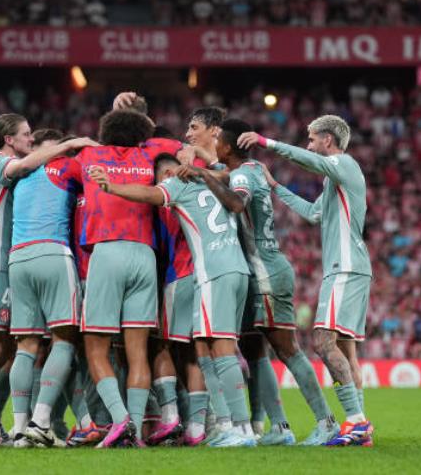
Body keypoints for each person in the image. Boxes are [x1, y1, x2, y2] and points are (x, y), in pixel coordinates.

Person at [181, 118, 338, 446]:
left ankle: (326, 422)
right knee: (257, 349)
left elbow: (236, 201)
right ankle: (280, 427)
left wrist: (203, 173)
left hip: (265, 272)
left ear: (228, 144)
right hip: (260, 271)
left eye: (220, 142)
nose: (217, 147)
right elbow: (225, 173)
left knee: (286, 349)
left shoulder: (242, 175)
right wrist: (204, 163)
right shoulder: (250, 167)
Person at [89, 153, 257, 448]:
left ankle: (241, 429)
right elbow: (231, 185)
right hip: (238, 269)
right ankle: (226, 425)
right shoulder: (212, 184)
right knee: (205, 349)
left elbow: (148, 194)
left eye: (167, 173)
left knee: (221, 349)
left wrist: (112, 186)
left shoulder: (178, 185)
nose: (165, 178)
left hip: (212, 272)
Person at [238, 114, 374, 447]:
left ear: (328, 140)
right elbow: (314, 214)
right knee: (344, 349)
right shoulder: (335, 180)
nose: (309, 144)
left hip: (345, 267)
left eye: (312, 138)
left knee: (323, 343)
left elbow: (310, 161)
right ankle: (358, 426)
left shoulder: (345, 163)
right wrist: (276, 188)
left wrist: (266, 142)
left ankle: (356, 421)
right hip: (349, 267)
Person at [73, 109, 186, 448]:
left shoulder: (89, 154)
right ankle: (135, 429)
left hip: (107, 252)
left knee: (96, 346)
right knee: (138, 351)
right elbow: (178, 145)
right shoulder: (149, 154)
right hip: (144, 255)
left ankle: (120, 420)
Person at [5, 133, 99, 448]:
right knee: (65, 338)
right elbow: (101, 167)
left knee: (26, 346)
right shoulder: (64, 166)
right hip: (52, 253)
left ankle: (18, 429)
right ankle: (41, 421)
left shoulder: (19, 175)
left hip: (17, 259)